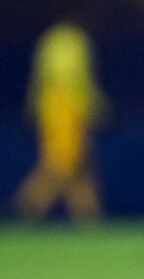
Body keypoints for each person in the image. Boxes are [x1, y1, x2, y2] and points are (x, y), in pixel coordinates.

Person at [14, 19, 107, 222]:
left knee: (81, 164)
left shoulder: (49, 40)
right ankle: (29, 204)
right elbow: (74, 80)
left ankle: (88, 216)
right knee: (63, 163)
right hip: (67, 108)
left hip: (50, 106)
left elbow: (39, 79)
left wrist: (33, 107)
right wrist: (97, 108)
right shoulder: (75, 41)